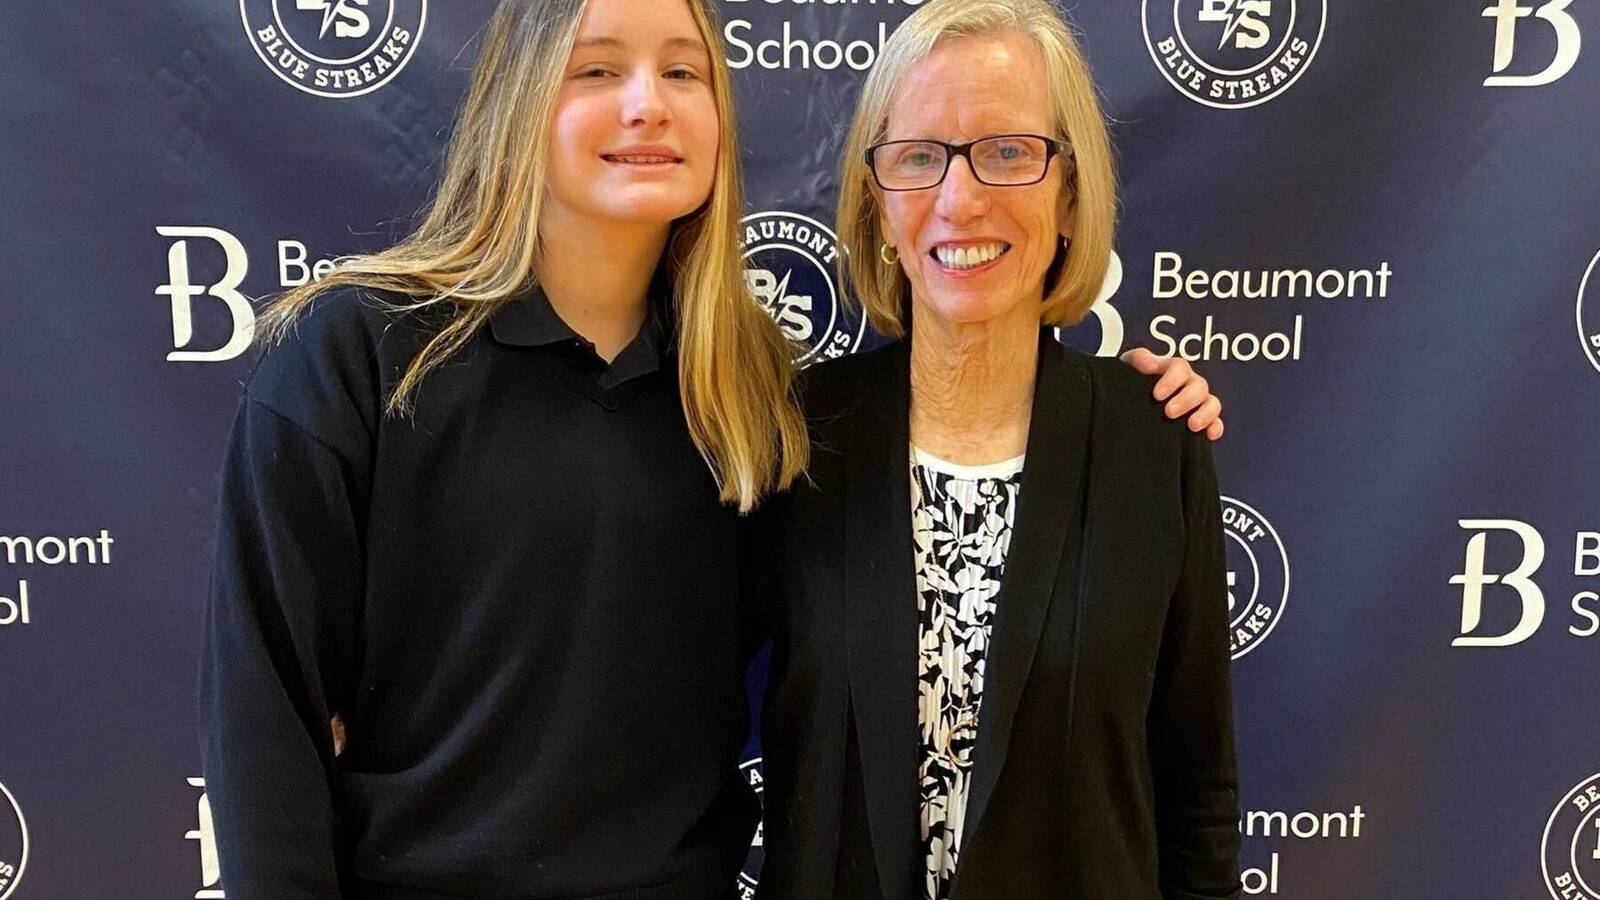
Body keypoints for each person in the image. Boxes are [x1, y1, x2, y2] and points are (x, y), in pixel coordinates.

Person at [199, 0, 1223, 898]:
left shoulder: (745, 399)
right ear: (519, 98)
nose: (647, 104)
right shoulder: (361, 356)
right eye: (597, 69)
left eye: (683, 71)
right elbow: (264, 725)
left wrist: (1131, 417)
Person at [753, 1, 1242, 898]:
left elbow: (1197, 792)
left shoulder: (1153, 446)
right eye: (918, 157)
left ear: (1070, 194)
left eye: (1009, 152)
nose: (960, 199)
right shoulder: (795, 439)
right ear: (878, 204)